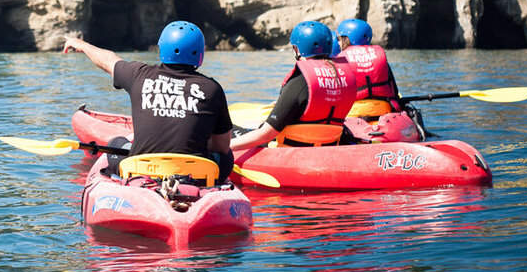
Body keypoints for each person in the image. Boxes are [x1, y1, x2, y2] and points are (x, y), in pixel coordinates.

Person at [63, 21, 234, 184]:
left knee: (116, 143)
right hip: (195, 174)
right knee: (226, 157)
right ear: (200, 53)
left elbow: (108, 60)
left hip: (141, 169)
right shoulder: (212, 89)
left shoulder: (138, 75)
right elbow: (221, 146)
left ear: (162, 48)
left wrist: (82, 45)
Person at [231, 21, 357, 151]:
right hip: (328, 145)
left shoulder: (300, 82)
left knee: (229, 129)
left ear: (297, 49)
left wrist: (224, 148)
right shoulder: (345, 77)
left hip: (291, 150)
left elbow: (266, 134)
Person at [336, 18, 403, 112]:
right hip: (384, 110)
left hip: (352, 113)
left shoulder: (341, 61)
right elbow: (394, 91)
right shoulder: (379, 57)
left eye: (339, 39)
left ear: (347, 39)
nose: (338, 43)